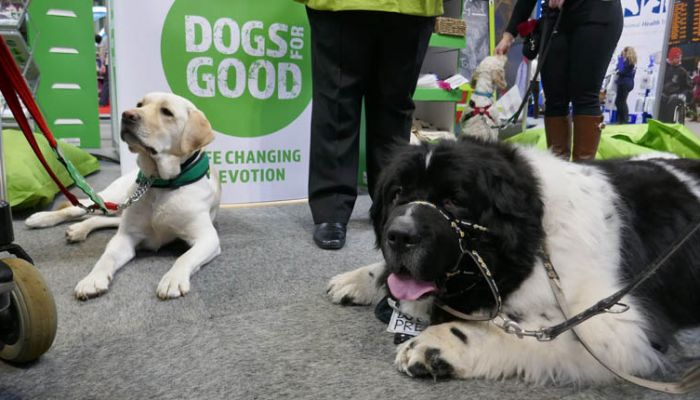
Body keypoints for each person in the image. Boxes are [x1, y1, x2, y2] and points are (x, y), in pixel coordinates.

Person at [298, 0, 442, 250]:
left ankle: (391, 201)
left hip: (411, 7)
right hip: (341, 5)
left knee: (394, 108)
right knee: (336, 104)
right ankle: (331, 210)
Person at [495, 0, 623, 161]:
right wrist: (509, 35)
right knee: (554, 98)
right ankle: (558, 171)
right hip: (555, 17)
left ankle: (583, 175)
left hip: (596, 13)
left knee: (584, 95)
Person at [658, 47, 692, 123]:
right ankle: (659, 121)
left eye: (679, 57)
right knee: (660, 98)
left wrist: (683, 95)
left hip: (675, 95)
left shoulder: (683, 72)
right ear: (671, 58)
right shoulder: (665, 69)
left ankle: (669, 123)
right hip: (664, 94)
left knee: (673, 100)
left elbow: (688, 88)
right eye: (676, 57)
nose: (679, 59)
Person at [614, 46, 636, 124]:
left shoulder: (628, 62)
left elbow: (620, 70)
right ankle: (621, 120)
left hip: (624, 83)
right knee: (620, 101)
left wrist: (620, 60)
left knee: (620, 102)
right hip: (627, 83)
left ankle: (623, 120)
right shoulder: (631, 62)